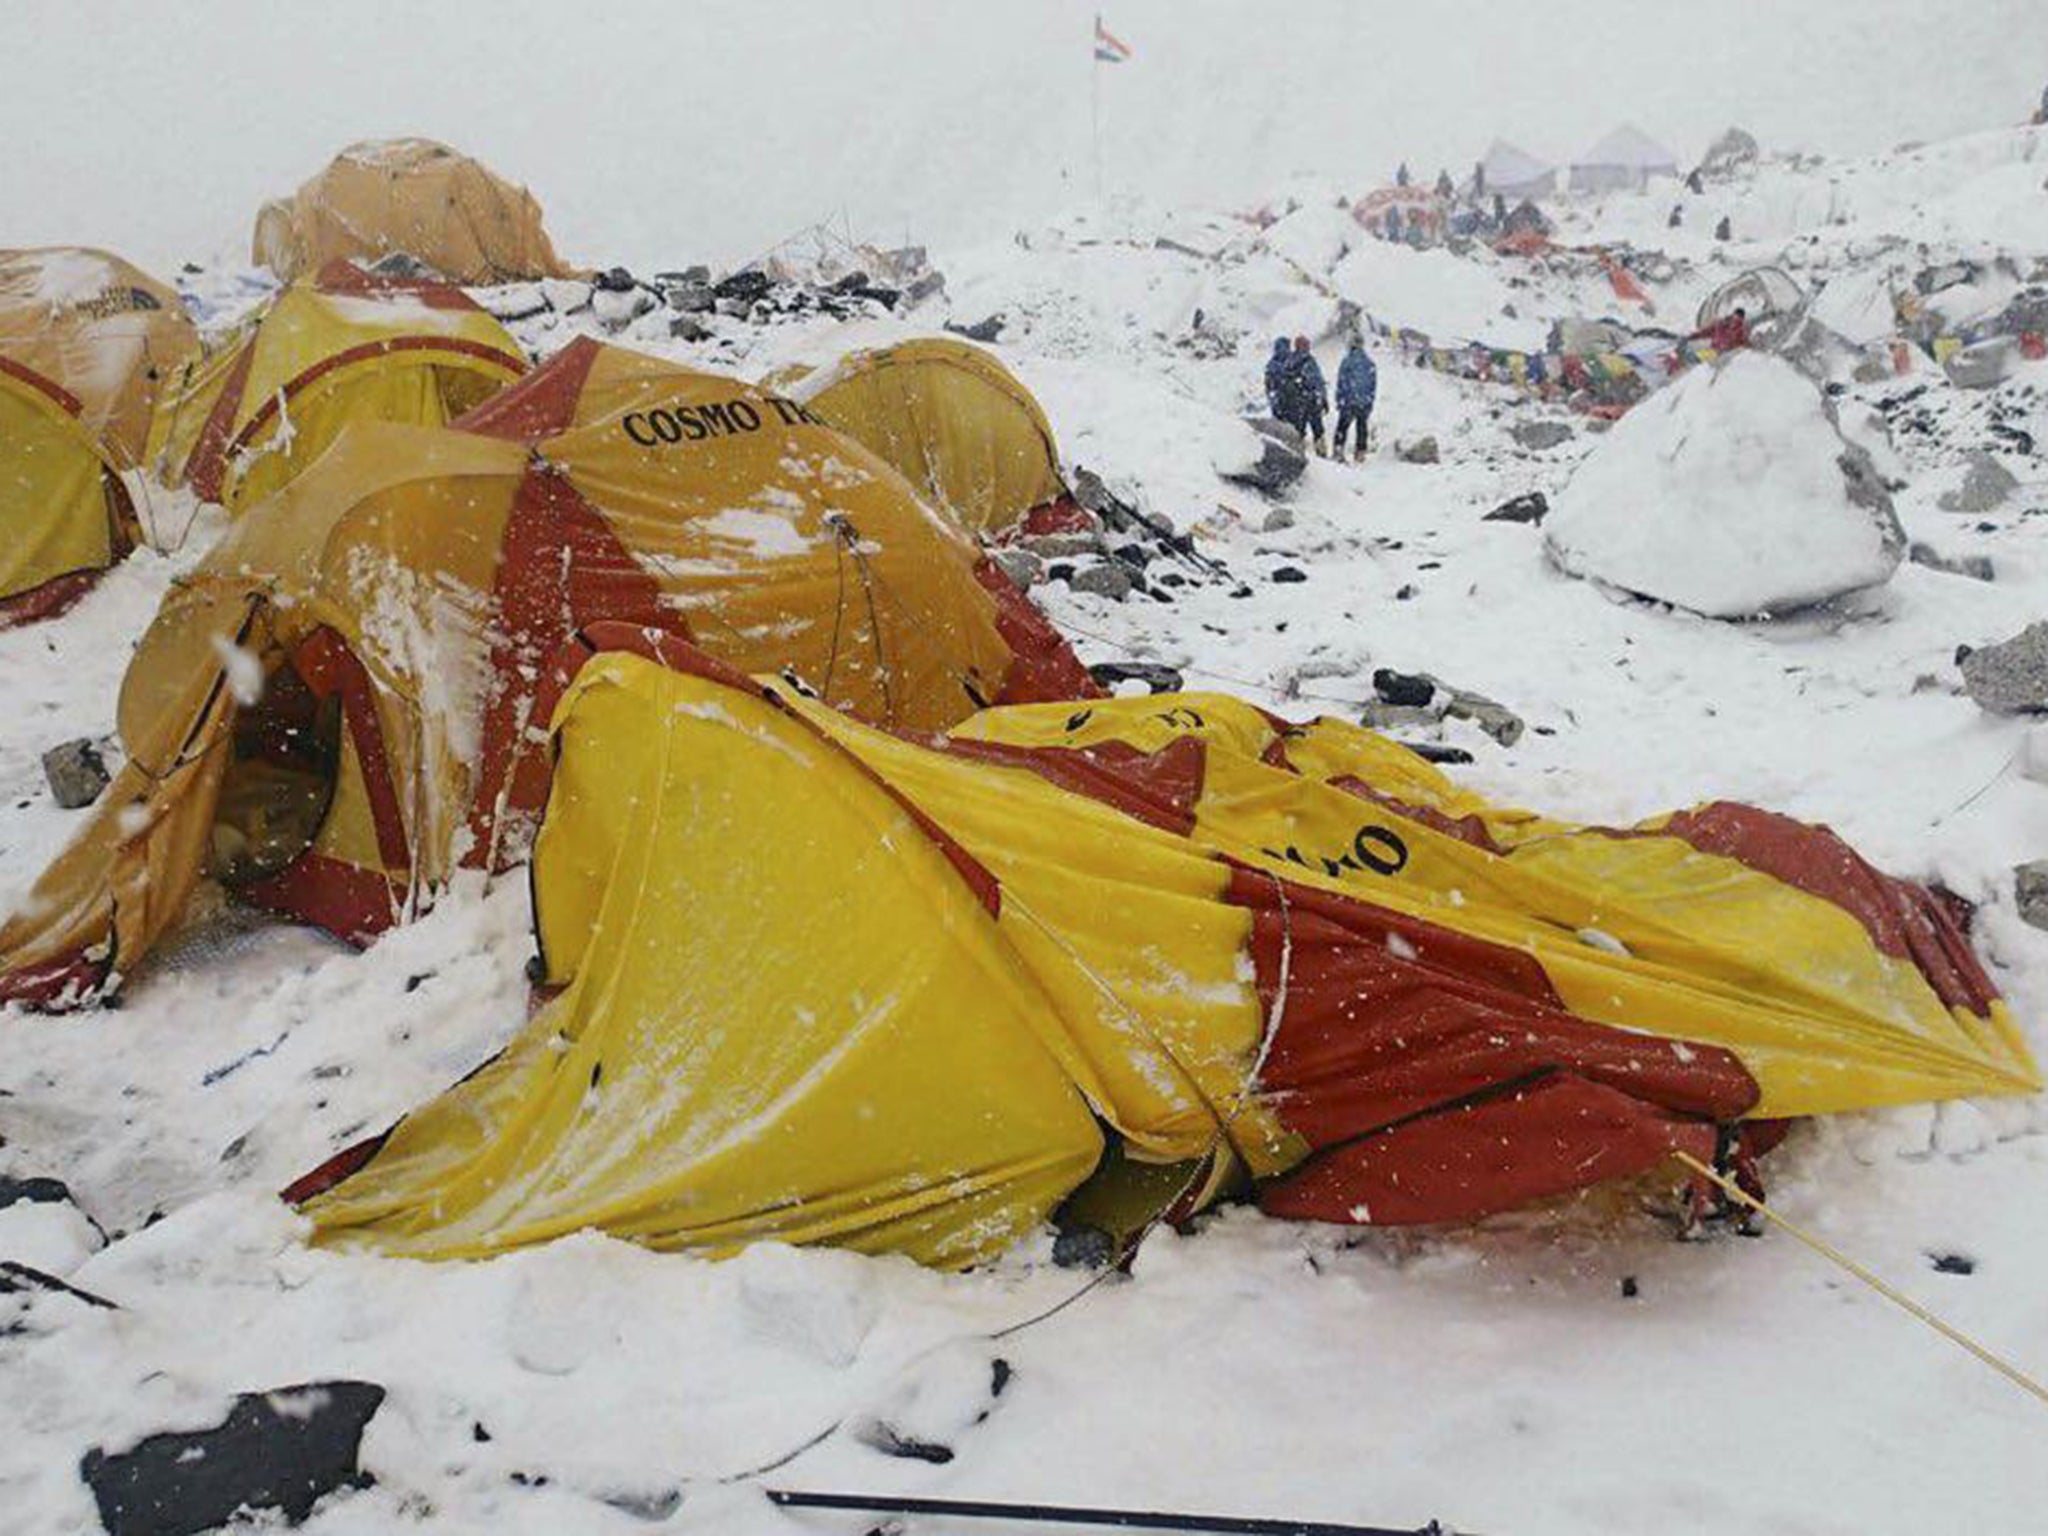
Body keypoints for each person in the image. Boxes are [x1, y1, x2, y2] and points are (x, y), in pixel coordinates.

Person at [1279, 336, 1327, 454]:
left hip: (1296, 403)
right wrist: (1323, 398)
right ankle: (1322, 453)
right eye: (1307, 345)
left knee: (1298, 431)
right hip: (1311, 401)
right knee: (1318, 430)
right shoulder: (1309, 361)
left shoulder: (1289, 362)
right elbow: (1316, 381)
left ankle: (1295, 453)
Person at [1334, 338, 1377, 461]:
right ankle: (1360, 453)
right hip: (1363, 401)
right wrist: (1370, 401)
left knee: (1342, 427)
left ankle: (1339, 451)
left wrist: (1339, 399)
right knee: (1362, 427)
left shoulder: (1346, 362)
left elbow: (1341, 382)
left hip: (1348, 400)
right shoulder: (1369, 363)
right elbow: (1372, 385)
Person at [1264, 336, 1291, 418]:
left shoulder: (1272, 363)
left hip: (1279, 394)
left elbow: (1268, 380)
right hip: (1286, 394)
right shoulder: (1292, 359)